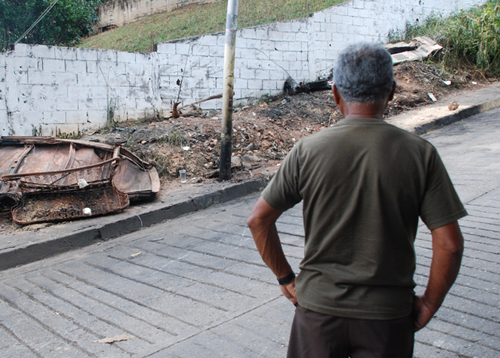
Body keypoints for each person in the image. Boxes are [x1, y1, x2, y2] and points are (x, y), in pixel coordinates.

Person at [247, 43, 466, 358]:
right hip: (388, 319)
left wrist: (285, 278)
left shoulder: (308, 151)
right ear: (391, 92)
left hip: (317, 314)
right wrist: (430, 303)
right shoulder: (420, 154)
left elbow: (258, 220)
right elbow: (450, 244)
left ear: (335, 94)